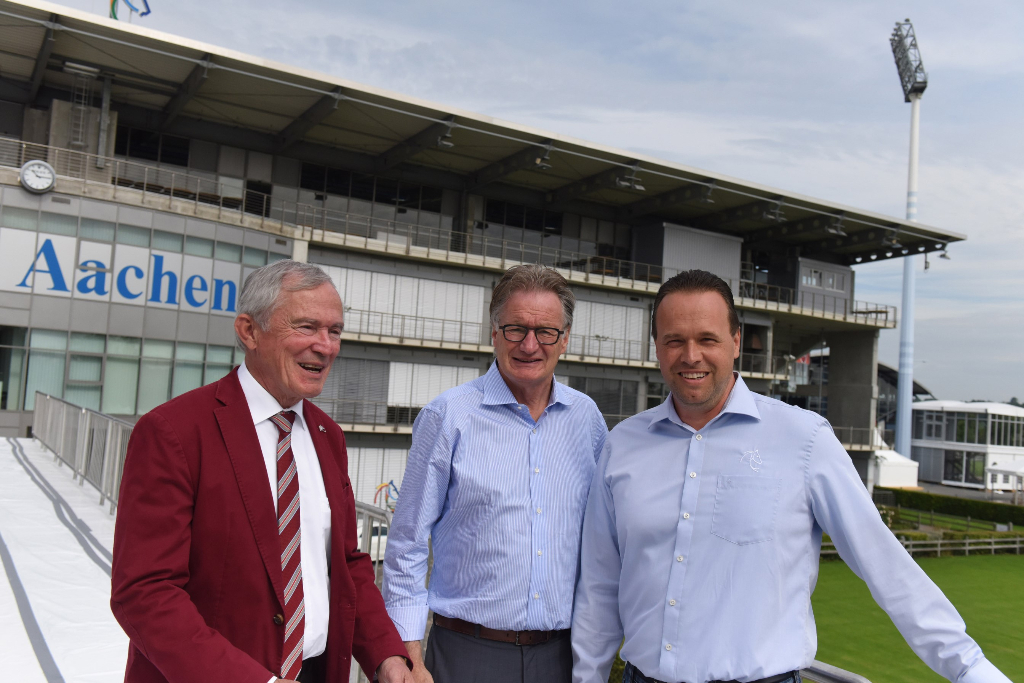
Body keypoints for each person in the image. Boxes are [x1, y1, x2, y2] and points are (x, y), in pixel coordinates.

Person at [571, 269, 1011, 683]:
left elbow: (885, 565)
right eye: (674, 340)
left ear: (737, 341)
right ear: (656, 346)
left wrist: (969, 669)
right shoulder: (622, 445)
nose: (691, 356)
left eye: (708, 338)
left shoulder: (804, 440)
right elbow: (598, 588)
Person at [110, 260, 413, 683]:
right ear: (249, 331)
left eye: (335, 331)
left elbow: (345, 565)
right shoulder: (174, 432)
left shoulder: (328, 436)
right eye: (307, 327)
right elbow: (144, 594)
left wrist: (387, 655)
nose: (325, 346)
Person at [383, 265, 608, 683]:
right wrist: (407, 652)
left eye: (545, 332)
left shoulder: (588, 420)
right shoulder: (448, 415)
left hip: (564, 657)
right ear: (493, 332)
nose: (529, 344)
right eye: (515, 328)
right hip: (467, 654)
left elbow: (604, 535)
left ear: (565, 340)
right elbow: (407, 541)